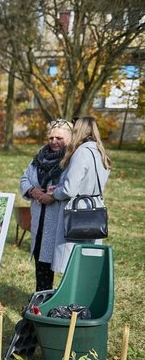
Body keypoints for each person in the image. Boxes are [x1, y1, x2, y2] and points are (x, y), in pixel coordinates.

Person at [46, 117, 111, 274]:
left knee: (71, 260)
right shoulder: (100, 151)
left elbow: (70, 190)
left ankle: (69, 296)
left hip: (77, 211)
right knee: (87, 260)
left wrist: (55, 193)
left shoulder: (81, 152)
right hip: (94, 207)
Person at [20, 119, 72, 291]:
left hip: (59, 219)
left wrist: (53, 196)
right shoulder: (40, 155)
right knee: (41, 261)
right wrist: (32, 191)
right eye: (51, 138)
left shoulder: (72, 158)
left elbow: (71, 185)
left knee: (64, 263)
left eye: (59, 138)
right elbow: (25, 177)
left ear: (70, 138)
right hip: (40, 218)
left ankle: (65, 302)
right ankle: (42, 297)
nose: (54, 141)